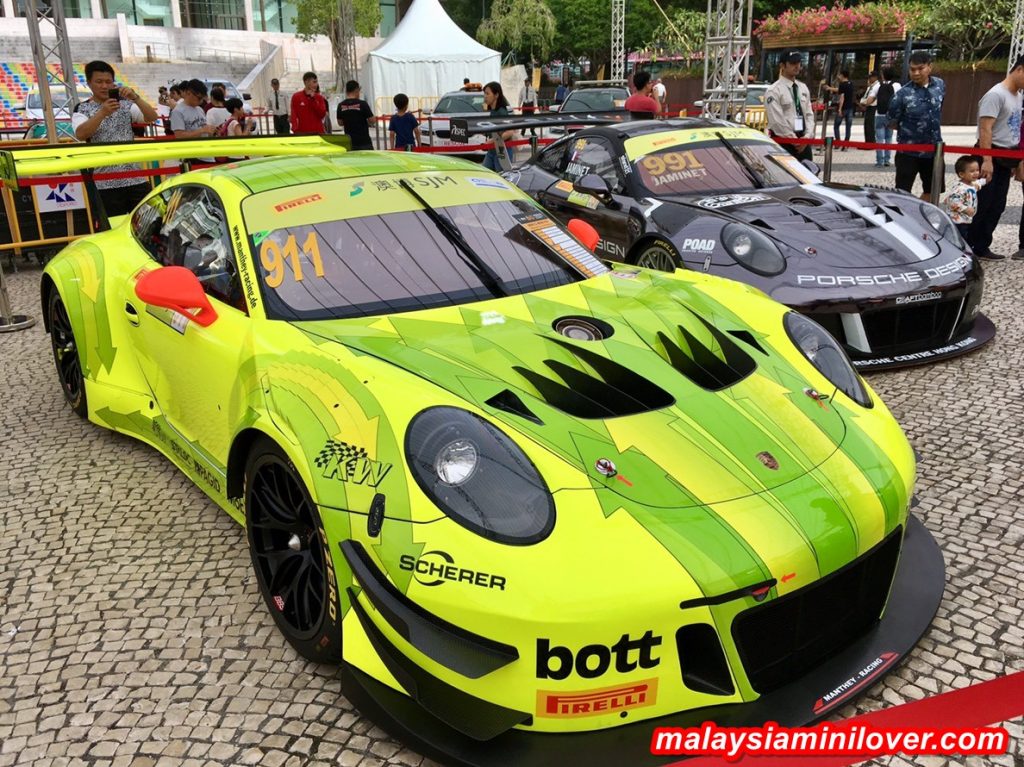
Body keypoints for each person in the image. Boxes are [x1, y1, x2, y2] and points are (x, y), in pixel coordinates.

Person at [72, 60, 159, 217]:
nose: (104, 86)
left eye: (108, 82)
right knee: (114, 229)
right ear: (89, 83)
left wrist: (136, 98)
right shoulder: (82, 108)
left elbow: (152, 117)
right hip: (105, 183)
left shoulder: (125, 105)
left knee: (150, 224)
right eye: (99, 82)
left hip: (136, 178)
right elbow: (81, 134)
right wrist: (102, 113)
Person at [967, 55, 1024, 260]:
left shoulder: (1018, 95)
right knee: (982, 204)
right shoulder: (996, 94)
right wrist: (987, 159)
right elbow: (985, 128)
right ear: (1019, 69)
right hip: (990, 154)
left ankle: (982, 245)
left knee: (997, 205)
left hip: (1006, 157)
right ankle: (969, 246)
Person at [887, 52, 945, 201]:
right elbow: (892, 121)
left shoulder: (939, 85)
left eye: (920, 68)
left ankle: (920, 216)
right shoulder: (902, 95)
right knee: (902, 194)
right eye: (912, 69)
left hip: (934, 151)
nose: (916, 73)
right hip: (908, 152)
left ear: (929, 67)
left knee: (933, 190)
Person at [765, 51, 814, 162]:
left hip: (803, 141)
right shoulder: (774, 90)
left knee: (808, 176)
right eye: (792, 63)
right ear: (782, 65)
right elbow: (776, 121)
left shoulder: (802, 87)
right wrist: (794, 140)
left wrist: (807, 137)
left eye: (798, 62)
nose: (797, 66)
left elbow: (809, 115)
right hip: (784, 142)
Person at [945, 155, 986, 242]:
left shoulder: (972, 184)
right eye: (972, 171)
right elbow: (952, 202)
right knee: (959, 240)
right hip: (957, 221)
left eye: (977, 170)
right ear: (961, 174)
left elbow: (978, 184)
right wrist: (965, 209)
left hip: (965, 220)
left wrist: (986, 180)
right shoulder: (960, 189)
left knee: (964, 239)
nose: (976, 173)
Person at [481, 81, 514, 171]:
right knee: (485, 174)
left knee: (501, 178)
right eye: (484, 94)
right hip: (492, 150)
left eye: (488, 93)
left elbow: (510, 131)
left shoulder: (502, 111)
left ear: (496, 95)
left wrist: (492, 141)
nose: (485, 96)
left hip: (502, 152)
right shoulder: (493, 111)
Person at [336, 79, 376, 150]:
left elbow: (340, 123)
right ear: (357, 90)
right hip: (364, 142)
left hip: (350, 142)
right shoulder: (362, 104)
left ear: (347, 91)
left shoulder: (340, 105)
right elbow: (372, 120)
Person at [872, 68, 900, 167]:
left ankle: (879, 161)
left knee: (879, 139)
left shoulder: (877, 85)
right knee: (888, 137)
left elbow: (870, 100)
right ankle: (887, 160)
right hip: (891, 115)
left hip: (879, 115)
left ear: (883, 75)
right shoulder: (897, 85)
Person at [830, 71, 854, 147]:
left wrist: (840, 109)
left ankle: (838, 143)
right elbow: (839, 90)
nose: (838, 77)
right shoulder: (851, 84)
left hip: (843, 108)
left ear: (843, 75)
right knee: (848, 126)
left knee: (836, 125)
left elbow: (842, 97)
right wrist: (830, 88)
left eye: (840, 75)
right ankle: (846, 144)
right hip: (850, 107)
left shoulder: (842, 84)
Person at [860, 72, 879, 146]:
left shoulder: (877, 86)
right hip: (867, 106)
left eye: (870, 77)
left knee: (870, 125)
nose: (869, 79)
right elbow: (866, 96)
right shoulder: (870, 87)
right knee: (867, 125)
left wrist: (866, 104)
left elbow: (873, 98)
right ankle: (867, 141)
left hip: (872, 107)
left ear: (875, 77)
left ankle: (871, 142)